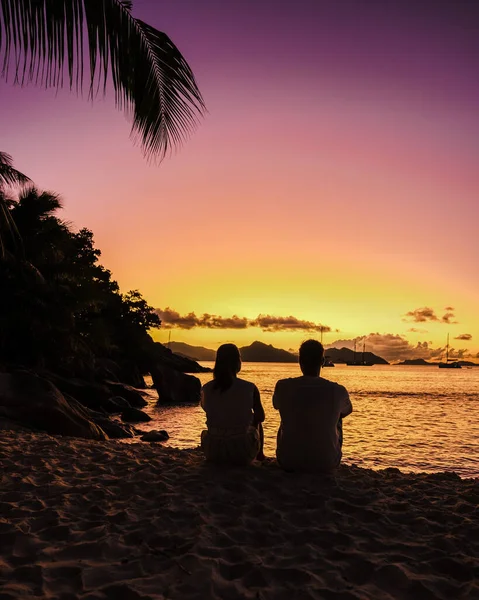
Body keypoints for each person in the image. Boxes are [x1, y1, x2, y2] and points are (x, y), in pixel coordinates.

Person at [273, 339, 352, 473]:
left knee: (286, 417)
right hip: (326, 464)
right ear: (322, 362)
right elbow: (347, 411)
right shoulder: (338, 390)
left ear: (300, 361)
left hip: (288, 461)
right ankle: (325, 452)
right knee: (338, 418)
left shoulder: (283, 386)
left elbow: (276, 405)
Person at [201, 343, 265, 465]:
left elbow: (208, 410)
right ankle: (260, 455)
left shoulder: (206, 388)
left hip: (213, 451)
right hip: (241, 452)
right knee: (256, 420)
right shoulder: (250, 387)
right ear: (237, 362)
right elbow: (261, 417)